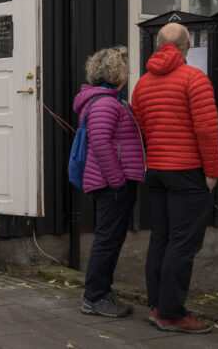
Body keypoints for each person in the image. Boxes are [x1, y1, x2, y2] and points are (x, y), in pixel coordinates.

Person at [131, 22, 218, 334]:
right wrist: (212, 171)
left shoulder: (141, 85)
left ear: (158, 45)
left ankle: (158, 305)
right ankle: (171, 313)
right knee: (183, 243)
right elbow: (206, 129)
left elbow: (141, 128)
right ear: (188, 44)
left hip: (156, 171)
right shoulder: (195, 79)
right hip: (187, 172)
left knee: (162, 238)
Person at [74, 46, 145, 318]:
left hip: (116, 181)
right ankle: (94, 298)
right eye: (125, 67)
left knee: (111, 239)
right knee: (107, 240)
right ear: (116, 72)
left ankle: (102, 293)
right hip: (113, 183)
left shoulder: (111, 100)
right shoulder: (105, 103)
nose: (128, 72)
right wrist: (117, 180)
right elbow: (102, 144)